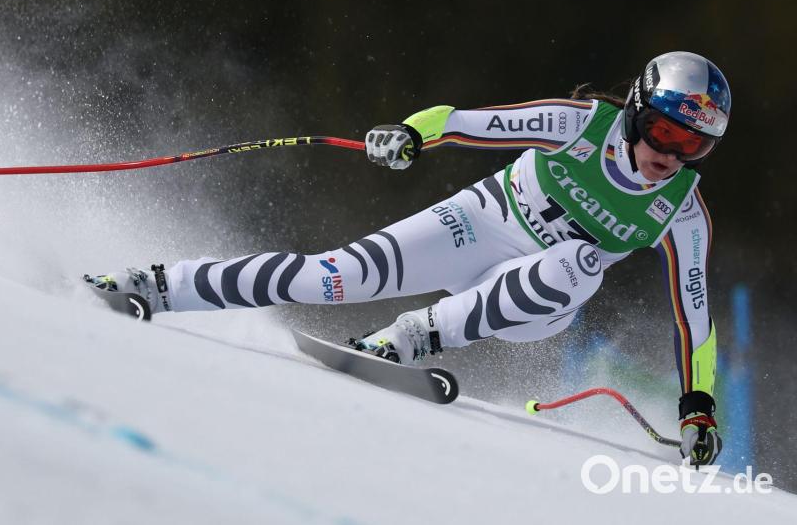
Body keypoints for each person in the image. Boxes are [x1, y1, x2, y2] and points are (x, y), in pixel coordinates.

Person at [88, 51, 729, 466]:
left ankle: (409, 340)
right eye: (668, 131)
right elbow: (461, 121)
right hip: (479, 222)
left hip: (538, 296)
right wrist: (410, 134)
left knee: (580, 262)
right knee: (330, 277)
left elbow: (693, 318)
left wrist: (697, 408)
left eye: (694, 145)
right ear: (640, 113)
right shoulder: (579, 124)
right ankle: (156, 284)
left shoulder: (683, 211)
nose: (672, 153)